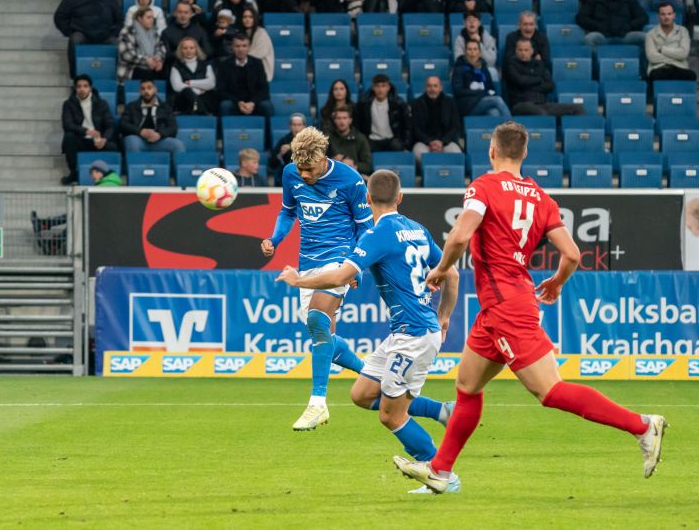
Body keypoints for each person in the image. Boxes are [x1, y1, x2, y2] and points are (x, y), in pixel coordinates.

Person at [393, 121, 667, 494]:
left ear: (492, 151)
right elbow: (570, 254)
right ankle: (441, 471)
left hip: (507, 305)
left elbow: (460, 235)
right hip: (499, 307)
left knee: (550, 391)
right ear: (524, 154)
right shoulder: (542, 198)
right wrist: (555, 282)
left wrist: (441, 269)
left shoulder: (484, 187)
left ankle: (642, 425)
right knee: (467, 386)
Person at [276, 169, 458, 486]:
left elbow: (339, 276)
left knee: (391, 414)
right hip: (408, 331)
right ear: (400, 197)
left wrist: (299, 280)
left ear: (369, 199)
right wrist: (444, 318)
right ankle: (443, 412)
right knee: (361, 394)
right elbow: (452, 275)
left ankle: (440, 473)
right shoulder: (417, 229)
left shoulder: (377, 234)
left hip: (413, 335)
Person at [261, 127, 373, 430]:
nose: (304, 175)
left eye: (309, 169)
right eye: (300, 169)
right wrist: (275, 239)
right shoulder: (290, 174)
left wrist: (356, 267)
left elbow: (366, 228)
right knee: (325, 339)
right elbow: (288, 212)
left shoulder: (350, 180)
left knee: (318, 321)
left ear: (323, 159)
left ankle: (317, 403)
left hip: (340, 258)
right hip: (307, 261)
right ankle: (378, 377)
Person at [60, 74, 118, 186]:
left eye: (85, 86)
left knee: (114, 146)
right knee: (69, 137)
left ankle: (109, 175)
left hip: (98, 140)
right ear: (75, 89)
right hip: (80, 139)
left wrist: (104, 139)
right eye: (79, 86)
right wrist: (86, 131)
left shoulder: (101, 104)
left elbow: (110, 125)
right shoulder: (68, 104)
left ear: (90, 88)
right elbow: (67, 125)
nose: (82, 89)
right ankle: (74, 172)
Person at [505, 39, 585, 116]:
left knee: (577, 109)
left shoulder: (539, 64)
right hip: (521, 104)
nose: (523, 53)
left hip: (543, 104)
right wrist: (539, 80)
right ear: (516, 51)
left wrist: (528, 86)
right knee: (541, 113)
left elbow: (550, 85)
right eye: (520, 50)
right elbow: (521, 81)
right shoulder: (511, 65)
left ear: (532, 51)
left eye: (526, 50)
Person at [54, 0, 122, 77]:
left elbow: (120, 20)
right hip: (83, 35)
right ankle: (75, 76)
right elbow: (59, 17)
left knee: (117, 43)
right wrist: (69, 32)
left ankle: (117, 79)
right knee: (75, 39)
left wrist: (114, 34)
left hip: (106, 36)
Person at [119, 79, 186, 154]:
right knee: (131, 141)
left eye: (149, 88)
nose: (146, 91)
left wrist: (159, 134)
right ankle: (138, 165)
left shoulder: (165, 107)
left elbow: (173, 127)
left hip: (159, 140)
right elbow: (123, 124)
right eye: (143, 89)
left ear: (155, 90)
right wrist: (140, 131)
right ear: (140, 92)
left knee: (178, 145)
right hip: (139, 139)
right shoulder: (131, 106)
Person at [216, 33, 274, 117]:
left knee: (266, 106)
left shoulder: (257, 63)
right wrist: (238, 102)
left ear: (249, 47)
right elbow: (221, 90)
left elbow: (264, 89)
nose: (241, 49)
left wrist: (252, 102)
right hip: (234, 101)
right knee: (225, 105)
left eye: (244, 46)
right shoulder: (224, 64)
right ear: (232, 47)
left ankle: (269, 130)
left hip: (253, 102)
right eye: (237, 46)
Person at [452, 40, 511, 118]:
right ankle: (513, 128)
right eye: (469, 49)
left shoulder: (484, 68)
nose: (472, 52)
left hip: (484, 102)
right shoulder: (459, 68)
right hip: (468, 105)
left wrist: (488, 93)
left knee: (494, 113)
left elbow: (491, 88)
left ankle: (501, 130)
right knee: (497, 100)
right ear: (465, 52)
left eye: (475, 49)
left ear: (479, 53)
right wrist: (480, 93)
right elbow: (458, 91)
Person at [410, 76, 462, 162]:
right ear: (425, 88)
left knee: (456, 154)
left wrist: (442, 142)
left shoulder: (450, 102)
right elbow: (415, 128)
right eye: (429, 86)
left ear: (440, 88)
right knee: (419, 154)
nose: (432, 89)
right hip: (423, 142)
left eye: (435, 86)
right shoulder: (416, 104)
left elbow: (455, 126)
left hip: (446, 142)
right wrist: (429, 142)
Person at [354, 74, 411, 153]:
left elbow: (406, 125)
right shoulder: (364, 104)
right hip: (372, 140)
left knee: (399, 147)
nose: (380, 89)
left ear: (388, 87)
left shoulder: (398, 104)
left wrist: (404, 142)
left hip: (392, 139)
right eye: (377, 86)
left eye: (383, 86)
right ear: (373, 88)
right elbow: (358, 125)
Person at [645, 2, 696, 81]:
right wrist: (675, 57)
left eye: (669, 14)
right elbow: (652, 57)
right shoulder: (650, 34)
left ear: (674, 15)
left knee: (691, 75)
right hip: (658, 68)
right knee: (655, 76)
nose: (666, 17)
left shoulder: (683, 31)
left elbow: (684, 54)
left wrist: (662, 50)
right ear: (658, 16)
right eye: (663, 14)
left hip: (679, 68)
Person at [170, 37, 217, 115]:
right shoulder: (176, 66)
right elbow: (177, 86)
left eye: (191, 48)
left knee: (207, 96)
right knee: (187, 92)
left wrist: (191, 83)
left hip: (203, 99)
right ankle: (203, 113)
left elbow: (211, 83)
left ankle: (197, 111)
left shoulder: (205, 64)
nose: (188, 50)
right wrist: (198, 90)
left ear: (196, 49)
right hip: (184, 101)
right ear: (181, 50)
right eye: (185, 48)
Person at [117, 7, 166, 81]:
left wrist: (158, 60)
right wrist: (146, 61)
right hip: (132, 69)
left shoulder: (154, 32)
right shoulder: (127, 32)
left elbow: (160, 48)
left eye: (153, 17)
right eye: (148, 17)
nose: (152, 20)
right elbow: (126, 55)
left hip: (151, 67)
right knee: (147, 75)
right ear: (140, 19)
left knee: (166, 71)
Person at [577, 0, 649, 47]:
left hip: (625, 35)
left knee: (647, 38)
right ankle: (596, 68)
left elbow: (643, 17)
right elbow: (581, 17)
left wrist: (629, 26)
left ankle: (642, 68)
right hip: (602, 36)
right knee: (590, 39)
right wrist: (598, 26)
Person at [328, 107, 372, 177]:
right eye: (338, 118)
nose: (341, 121)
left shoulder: (360, 138)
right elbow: (321, 161)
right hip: (334, 175)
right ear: (334, 120)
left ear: (350, 120)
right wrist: (333, 161)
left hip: (355, 175)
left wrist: (354, 165)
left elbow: (368, 166)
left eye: (345, 118)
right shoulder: (328, 137)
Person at [453, 11, 498, 80]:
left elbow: (491, 62)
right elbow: (458, 60)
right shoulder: (459, 40)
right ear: (464, 23)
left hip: (483, 68)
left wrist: (479, 44)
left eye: (474, 20)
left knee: (493, 71)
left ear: (479, 23)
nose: (472, 23)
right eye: (469, 20)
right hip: (466, 69)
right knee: (457, 72)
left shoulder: (489, 39)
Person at [269, 113, 307, 184]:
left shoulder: (311, 141)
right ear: (290, 126)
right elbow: (272, 164)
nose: (296, 128)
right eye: (294, 125)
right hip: (288, 176)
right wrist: (280, 154)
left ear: (304, 126)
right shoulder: (284, 141)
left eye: (299, 125)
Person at [240, 4, 275, 82]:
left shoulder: (261, 33)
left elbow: (257, 55)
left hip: (262, 72)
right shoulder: (243, 34)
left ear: (255, 18)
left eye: (250, 17)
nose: (247, 19)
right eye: (244, 17)